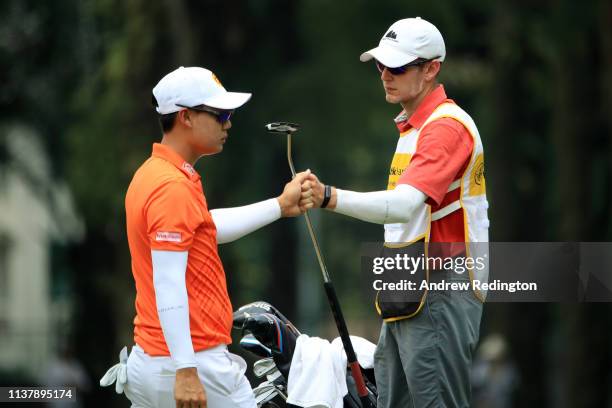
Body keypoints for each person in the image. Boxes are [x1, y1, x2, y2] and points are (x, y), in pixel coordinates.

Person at [308, 18, 490, 407]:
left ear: (431, 68)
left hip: (440, 286)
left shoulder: (445, 128)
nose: (386, 76)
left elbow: (405, 205)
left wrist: (329, 196)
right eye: (381, 66)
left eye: (399, 67)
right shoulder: (414, 129)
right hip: (410, 287)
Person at [115, 66, 312, 408]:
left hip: (156, 360)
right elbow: (168, 281)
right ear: (186, 116)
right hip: (192, 362)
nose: (228, 124)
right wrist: (187, 370)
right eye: (221, 114)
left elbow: (205, 228)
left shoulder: (159, 174)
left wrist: (279, 206)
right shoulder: (171, 187)